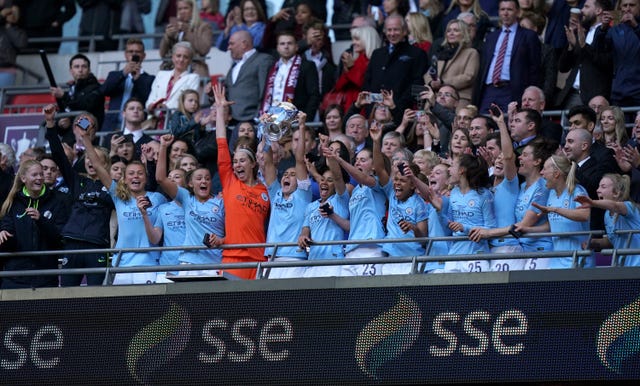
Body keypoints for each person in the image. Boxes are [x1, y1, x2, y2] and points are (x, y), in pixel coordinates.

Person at [81, 128, 167, 285]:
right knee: (123, 309)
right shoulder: (119, 197)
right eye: (131, 174)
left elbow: (156, 237)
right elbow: (99, 167)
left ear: (146, 178)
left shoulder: (158, 198)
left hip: (148, 265)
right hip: (122, 264)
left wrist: (144, 214)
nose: (135, 176)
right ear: (125, 179)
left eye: (140, 173)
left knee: (148, 308)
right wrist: (86, 138)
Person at [213, 84, 269, 279]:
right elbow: (221, 142)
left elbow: (269, 157)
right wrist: (220, 110)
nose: (237, 165)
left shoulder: (266, 189)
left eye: (242, 161)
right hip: (233, 259)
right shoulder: (230, 182)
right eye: (234, 161)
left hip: (260, 260)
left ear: (253, 164)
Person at [156, 134, 225, 277]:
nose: (203, 182)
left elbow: (232, 233)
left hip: (214, 263)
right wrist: (163, 146)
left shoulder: (221, 202)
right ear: (190, 184)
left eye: (207, 178)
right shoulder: (186, 199)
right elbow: (160, 178)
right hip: (189, 262)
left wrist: (220, 240)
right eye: (199, 179)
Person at [469, 105, 524, 270]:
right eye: (496, 159)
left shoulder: (510, 184)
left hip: (508, 247)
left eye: (503, 160)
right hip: (489, 248)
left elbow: (508, 156)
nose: (500, 160)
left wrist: (501, 123)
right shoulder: (488, 186)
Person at [0, 159, 69, 289]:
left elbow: (60, 239)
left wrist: (41, 220)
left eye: (41, 174)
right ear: (23, 178)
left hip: (45, 276)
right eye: (34, 175)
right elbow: (8, 234)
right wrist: (3, 234)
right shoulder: (13, 202)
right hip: (15, 277)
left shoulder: (57, 201)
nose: (39, 178)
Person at [263, 112, 312, 279]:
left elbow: (299, 160)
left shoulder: (303, 195)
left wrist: (302, 125)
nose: (286, 176)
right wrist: (266, 130)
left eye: (292, 175)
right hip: (271, 258)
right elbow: (268, 161)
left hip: (294, 258)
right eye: (285, 174)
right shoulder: (275, 193)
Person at [524, 154, 592, 269]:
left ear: (556, 173)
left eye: (545, 169)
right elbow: (554, 223)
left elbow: (584, 215)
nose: (541, 173)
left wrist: (555, 210)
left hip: (578, 260)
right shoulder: (551, 194)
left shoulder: (577, 191)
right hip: (556, 260)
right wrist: (529, 230)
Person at [431, 153, 496, 272]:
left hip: (477, 254)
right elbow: (449, 225)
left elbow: (491, 227)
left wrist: (464, 227)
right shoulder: (454, 193)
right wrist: (439, 211)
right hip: (455, 254)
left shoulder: (484, 195)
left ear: (462, 170)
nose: (449, 169)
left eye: (452, 166)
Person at [475, 0, 541, 114]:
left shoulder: (528, 36)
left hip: (512, 89)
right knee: (484, 124)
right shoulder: (491, 37)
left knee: (509, 126)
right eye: (502, 9)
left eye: (509, 9)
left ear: (518, 12)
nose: (505, 13)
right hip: (489, 90)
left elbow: (534, 68)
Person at [363, 14, 429, 117]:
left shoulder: (416, 54)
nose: (392, 33)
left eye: (396, 30)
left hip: (402, 112)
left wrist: (398, 106)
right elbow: (367, 82)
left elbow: (418, 83)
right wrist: (371, 107)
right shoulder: (377, 54)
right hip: (376, 111)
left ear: (405, 31)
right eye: (389, 30)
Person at [556, 0, 612, 109]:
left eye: (586, 7)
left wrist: (584, 46)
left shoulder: (608, 33)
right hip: (571, 95)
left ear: (598, 10)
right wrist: (571, 46)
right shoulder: (582, 33)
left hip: (594, 98)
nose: (582, 10)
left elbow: (606, 63)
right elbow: (562, 67)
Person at [576, 174, 640, 266]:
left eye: (603, 187)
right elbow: (611, 241)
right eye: (598, 187)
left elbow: (616, 206)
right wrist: (593, 242)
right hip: (623, 267)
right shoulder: (607, 214)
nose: (598, 190)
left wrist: (592, 203)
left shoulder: (628, 206)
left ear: (616, 193)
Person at [260, 31, 320, 119]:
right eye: (282, 44)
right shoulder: (272, 68)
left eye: (290, 43)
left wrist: (307, 119)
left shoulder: (307, 66)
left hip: (296, 120)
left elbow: (314, 95)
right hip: (271, 120)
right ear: (277, 47)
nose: (286, 47)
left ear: (296, 47)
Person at [141, 167, 186, 282]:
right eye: (169, 178)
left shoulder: (196, 205)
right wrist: (144, 215)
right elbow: (155, 239)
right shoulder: (163, 208)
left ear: (188, 182)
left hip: (191, 266)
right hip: (167, 267)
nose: (171, 181)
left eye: (176, 177)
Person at [100, 38, 155, 132]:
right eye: (130, 51)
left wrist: (137, 79)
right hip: (111, 126)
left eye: (137, 52)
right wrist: (124, 73)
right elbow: (103, 91)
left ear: (143, 55)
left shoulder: (150, 79)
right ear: (125, 55)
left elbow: (147, 99)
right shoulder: (114, 75)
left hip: (137, 127)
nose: (134, 54)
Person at [224, 30, 274, 123]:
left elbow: (266, 91)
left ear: (244, 44)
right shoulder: (234, 66)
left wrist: (258, 116)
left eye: (232, 44)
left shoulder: (263, 60)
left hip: (253, 121)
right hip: (233, 122)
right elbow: (227, 91)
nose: (229, 48)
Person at [428, 19, 480, 107]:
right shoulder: (441, 53)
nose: (451, 33)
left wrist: (443, 82)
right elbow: (428, 73)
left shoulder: (471, 52)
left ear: (464, 33)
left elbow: (468, 77)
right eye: (449, 31)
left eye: (456, 30)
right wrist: (431, 82)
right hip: (438, 97)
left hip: (459, 98)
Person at [146, 41, 200, 124]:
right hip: (154, 121)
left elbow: (189, 103)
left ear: (189, 61)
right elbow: (152, 97)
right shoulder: (161, 74)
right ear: (173, 57)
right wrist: (150, 105)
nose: (181, 59)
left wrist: (167, 108)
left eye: (185, 57)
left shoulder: (193, 78)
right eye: (178, 56)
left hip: (177, 122)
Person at [333, 26, 382, 116]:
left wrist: (351, 68)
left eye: (357, 39)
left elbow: (366, 85)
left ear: (368, 40)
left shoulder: (376, 62)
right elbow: (338, 87)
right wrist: (347, 69)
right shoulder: (355, 60)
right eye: (353, 39)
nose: (353, 42)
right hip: (350, 106)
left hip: (365, 108)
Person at [159, 0, 212, 78]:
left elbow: (204, 49)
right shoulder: (174, 25)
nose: (182, 11)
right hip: (172, 69)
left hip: (194, 69)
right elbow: (162, 54)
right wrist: (167, 37)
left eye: (185, 8)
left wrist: (188, 32)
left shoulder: (203, 27)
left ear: (193, 10)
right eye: (180, 9)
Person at [50, 54, 105, 130]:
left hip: (90, 132)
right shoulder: (71, 89)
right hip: (72, 133)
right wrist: (60, 123)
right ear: (71, 71)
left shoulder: (96, 88)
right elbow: (65, 111)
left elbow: (85, 106)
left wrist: (64, 96)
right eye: (76, 67)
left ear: (89, 70)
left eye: (84, 66)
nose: (80, 70)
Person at [602, 0, 640, 107]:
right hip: (619, 92)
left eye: (632, 5)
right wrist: (602, 29)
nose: (628, 9)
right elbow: (600, 51)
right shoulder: (614, 29)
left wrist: (636, 26)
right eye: (625, 5)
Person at [0, 4, 27, 88]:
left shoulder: (19, 32)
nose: (10, 15)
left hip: (6, 70)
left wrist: (9, 26)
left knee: (2, 99)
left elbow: (21, 44)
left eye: (13, 13)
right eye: (8, 13)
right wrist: (1, 16)